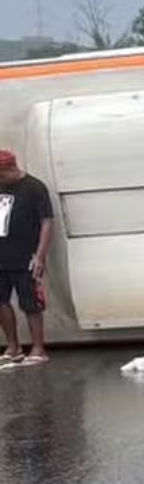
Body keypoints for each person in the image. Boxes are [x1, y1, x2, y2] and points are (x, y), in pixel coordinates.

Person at [0, 150, 53, 365]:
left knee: (31, 303)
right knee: (1, 301)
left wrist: (40, 256)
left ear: (10, 169)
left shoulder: (34, 187)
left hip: (26, 257)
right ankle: (13, 347)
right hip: (1, 256)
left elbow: (47, 222)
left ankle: (38, 349)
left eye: (1, 175)